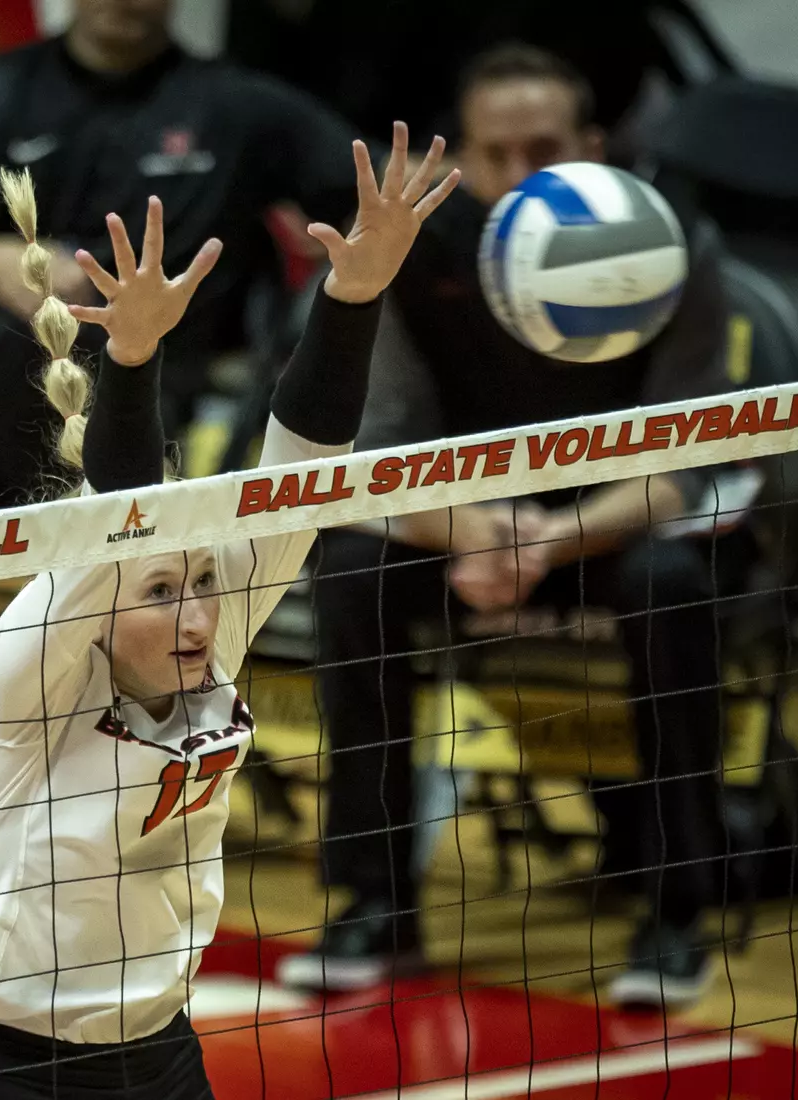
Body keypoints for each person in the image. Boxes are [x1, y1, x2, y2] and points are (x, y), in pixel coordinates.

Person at [0, 0, 364, 899]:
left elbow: (370, 209)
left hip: (139, 432)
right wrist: (37, 273)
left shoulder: (243, 108)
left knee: (69, 335)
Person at [0, 126, 459, 1097]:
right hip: (7, 1072)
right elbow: (116, 532)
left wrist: (352, 298)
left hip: (163, 1058)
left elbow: (303, 471)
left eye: (203, 583)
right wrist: (132, 358)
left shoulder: (210, 647)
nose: (199, 615)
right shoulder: (24, 678)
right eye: (161, 592)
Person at [274, 44, 734, 1009]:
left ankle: (677, 910)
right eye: (496, 155)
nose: (521, 177)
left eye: (546, 149)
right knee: (351, 572)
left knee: (675, 587)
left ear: (596, 149)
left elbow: (684, 469)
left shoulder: (666, 241)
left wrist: (549, 542)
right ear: (461, 165)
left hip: (615, 531)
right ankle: (373, 902)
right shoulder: (415, 250)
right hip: (468, 526)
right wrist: (474, 530)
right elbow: (373, 458)